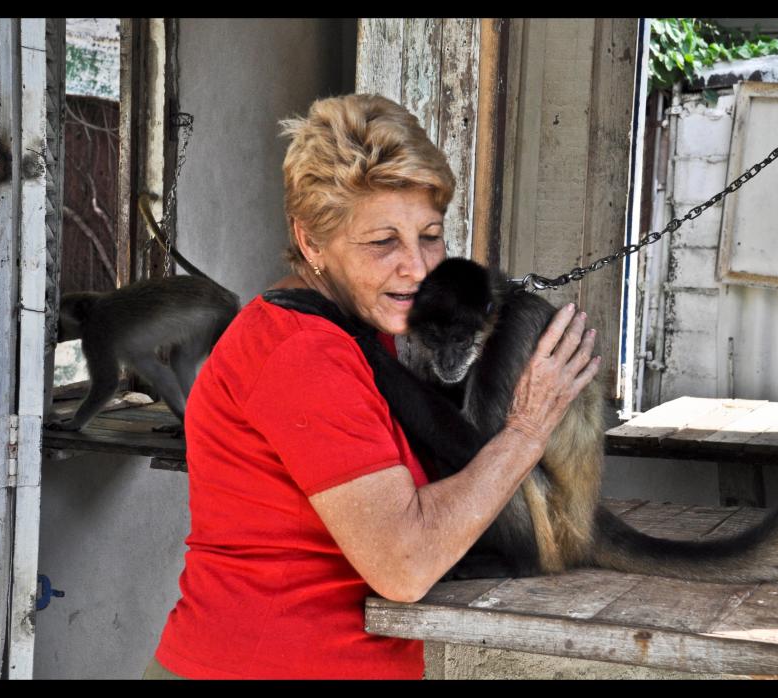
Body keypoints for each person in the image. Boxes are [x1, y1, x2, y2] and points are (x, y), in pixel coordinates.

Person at [146, 94, 600, 679]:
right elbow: (404, 565)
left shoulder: (359, 328)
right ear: (311, 242)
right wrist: (528, 428)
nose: (417, 267)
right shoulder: (303, 351)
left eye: (430, 235)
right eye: (383, 242)